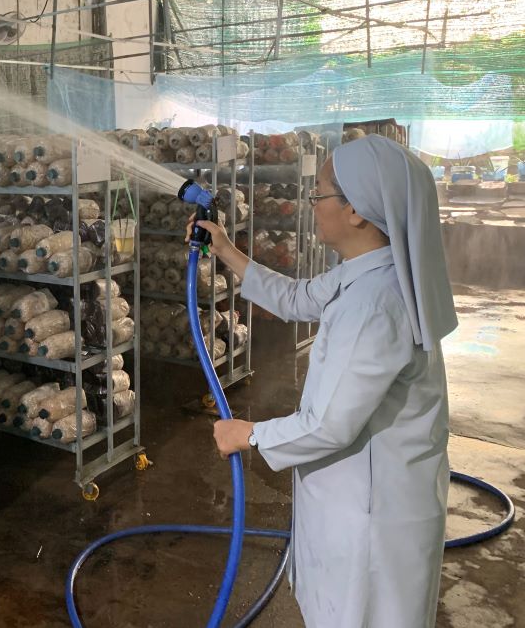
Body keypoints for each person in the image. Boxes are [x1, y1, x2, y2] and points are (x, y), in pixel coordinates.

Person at [187, 135, 457, 628]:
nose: (312, 205)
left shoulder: (376, 303)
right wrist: (225, 250)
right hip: (363, 501)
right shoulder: (368, 271)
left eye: (320, 195)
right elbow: (296, 298)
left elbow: (331, 426)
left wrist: (248, 434)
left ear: (355, 210)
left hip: (373, 517)